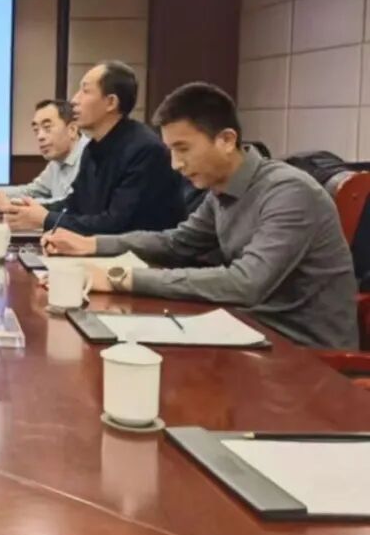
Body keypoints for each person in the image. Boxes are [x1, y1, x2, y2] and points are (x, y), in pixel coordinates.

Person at [43, 82, 358, 350]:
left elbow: (246, 283)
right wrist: (91, 244)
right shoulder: (221, 189)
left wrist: (118, 278)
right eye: (171, 151)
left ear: (226, 140)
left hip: (305, 355)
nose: (175, 164)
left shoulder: (289, 192)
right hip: (250, 330)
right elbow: (176, 243)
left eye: (183, 149)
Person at [3, 61, 184, 235]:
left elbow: (116, 224)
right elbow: (75, 205)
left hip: (143, 253)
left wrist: (45, 218)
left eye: (85, 91)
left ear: (111, 102)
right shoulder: (92, 147)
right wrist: (29, 210)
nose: (74, 100)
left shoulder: (144, 149)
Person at [0, 99, 87, 210]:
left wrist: (14, 203)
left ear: (72, 130)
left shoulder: (91, 157)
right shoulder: (56, 161)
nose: (40, 136)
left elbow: (69, 203)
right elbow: (32, 191)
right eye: (36, 130)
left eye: (47, 128)